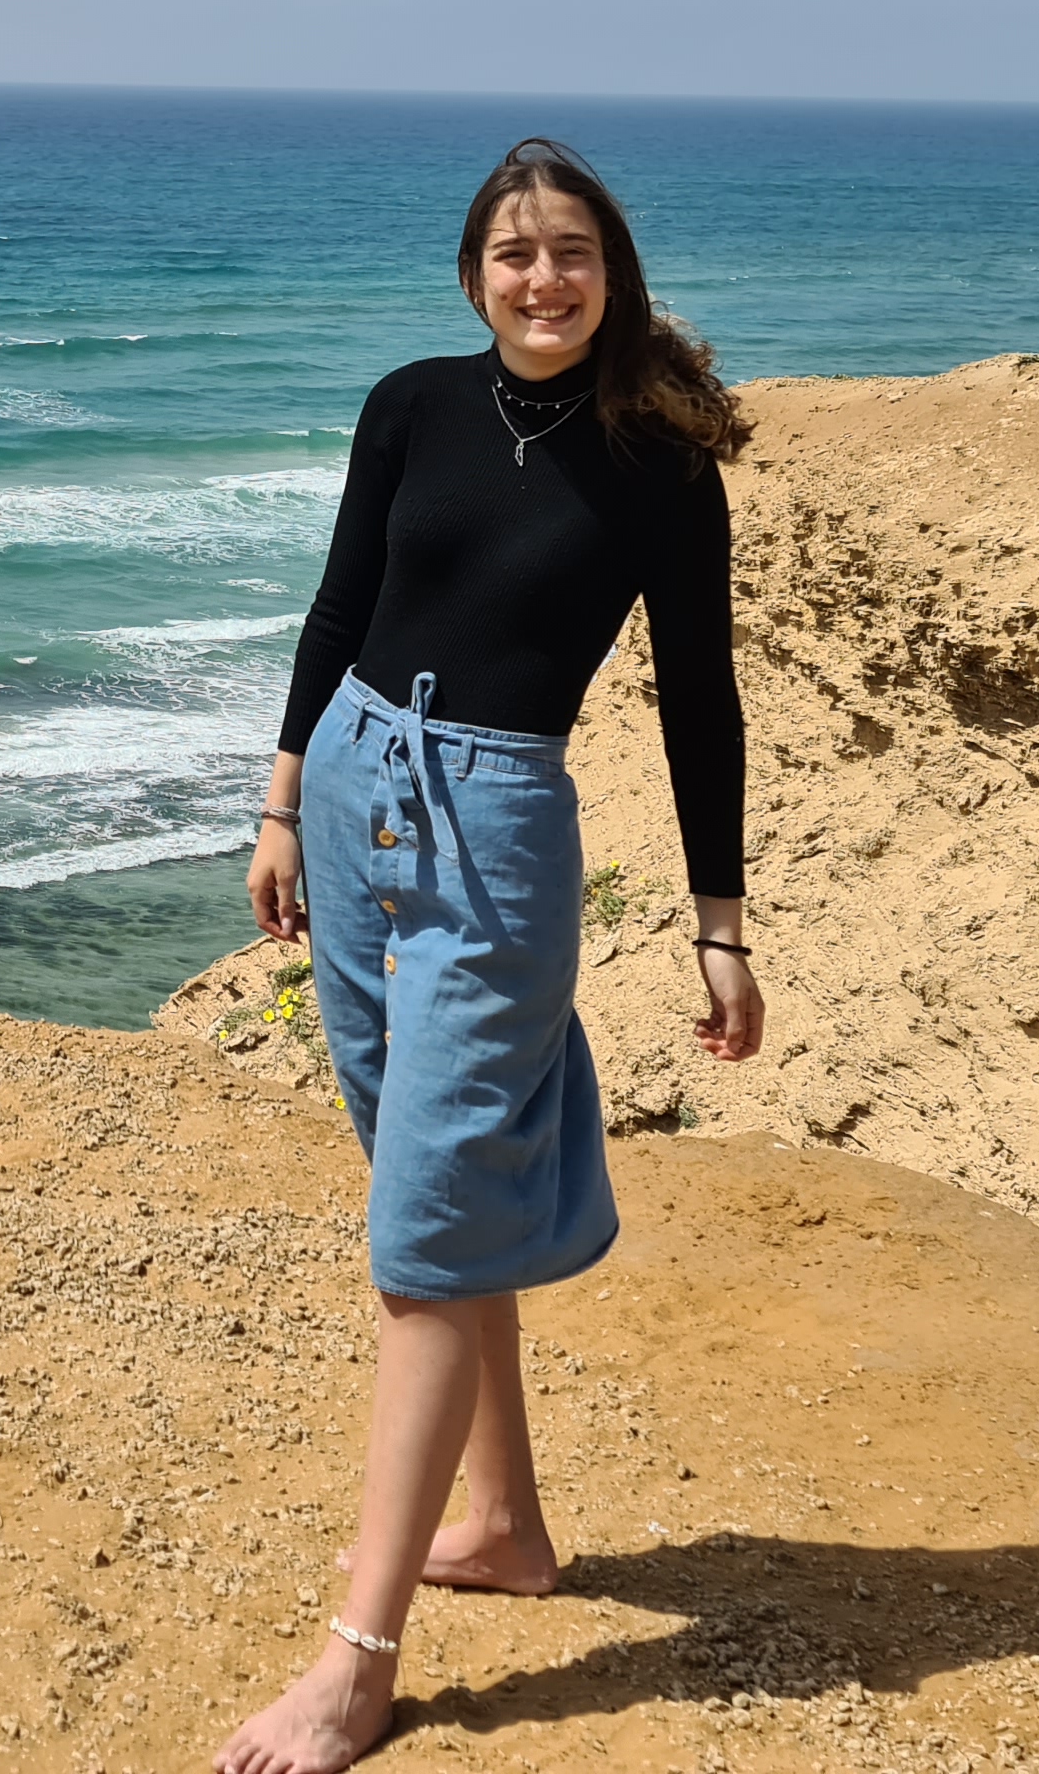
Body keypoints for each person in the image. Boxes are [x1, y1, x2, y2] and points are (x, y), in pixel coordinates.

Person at [215, 139, 764, 1774]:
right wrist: (279, 803)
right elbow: (340, 606)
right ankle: (507, 1522)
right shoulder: (411, 406)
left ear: (614, 272)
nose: (545, 279)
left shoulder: (660, 460)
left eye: (572, 251)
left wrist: (720, 924)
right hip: (351, 791)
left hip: (500, 833)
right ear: (475, 276)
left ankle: (359, 1661)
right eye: (516, 254)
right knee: (426, 1188)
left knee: (425, 1234)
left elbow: (701, 697)